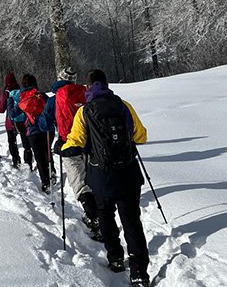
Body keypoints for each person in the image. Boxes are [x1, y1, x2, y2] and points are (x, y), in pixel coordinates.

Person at [61, 69, 150, 286]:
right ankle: (139, 272)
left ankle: (116, 258)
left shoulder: (84, 112)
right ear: (106, 84)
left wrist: (62, 148)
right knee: (131, 221)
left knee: (106, 216)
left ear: (88, 87)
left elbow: (76, 142)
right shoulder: (123, 105)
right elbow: (141, 136)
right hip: (128, 173)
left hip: (100, 175)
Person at [48, 67, 101, 240]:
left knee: (78, 180)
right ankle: (100, 213)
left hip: (68, 143)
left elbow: (44, 120)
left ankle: (94, 218)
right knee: (91, 177)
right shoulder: (85, 92)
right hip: (89, 142)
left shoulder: (56, 97)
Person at [18, 74, 55, 193]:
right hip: (47, 129)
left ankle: (46, 182)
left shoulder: (22, 98)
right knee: (47, 151)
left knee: (39, 157)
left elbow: (14, 113)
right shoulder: (42, 95)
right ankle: (52, 171)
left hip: (33, 131)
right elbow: (52, 108)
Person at [0, 72, 33, 170]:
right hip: (23, 121)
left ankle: (16, 161)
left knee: (12, 142)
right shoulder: (21, 90)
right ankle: (28, 163)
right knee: (26, 144)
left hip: (11, 123)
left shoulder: (5, 93)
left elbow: (1, 109)